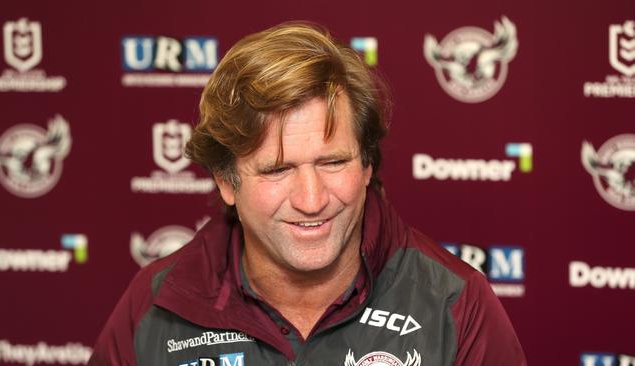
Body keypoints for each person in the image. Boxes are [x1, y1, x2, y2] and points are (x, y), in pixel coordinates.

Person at [88, 22, 527, 366]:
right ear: (225, 181)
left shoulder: (453, 303)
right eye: (278, 170)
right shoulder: (155, 305)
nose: (312, 199)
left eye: (333, 162)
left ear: (367, 164)